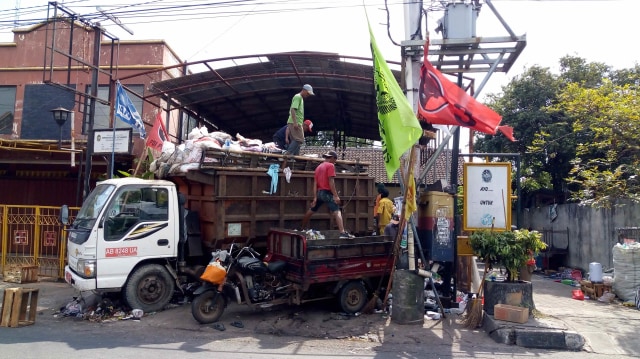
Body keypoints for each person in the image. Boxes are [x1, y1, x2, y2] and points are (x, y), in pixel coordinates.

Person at [301, 150, 353, 239]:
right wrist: (336, 196)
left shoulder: (318, 167)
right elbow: (331, 182)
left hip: (319, 193)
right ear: (332, 158)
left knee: (312, 210)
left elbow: (315, 184)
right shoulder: (330, 165)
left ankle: (302, 229)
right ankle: (342, 233)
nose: (335, 162)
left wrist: (315, 197)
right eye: (335, 160)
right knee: (337, 211)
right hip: (326, 193)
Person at [286, 84, 314, 155]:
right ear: (304, 90)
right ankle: (288, 153)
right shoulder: (298, 97)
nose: (308, 95)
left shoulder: (301, 99)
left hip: (295, 122)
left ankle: (294, 156)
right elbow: (293, 109)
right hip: (295, 122)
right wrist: (295, 122)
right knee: (300, 139)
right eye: (307, 93)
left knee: (295, 140)